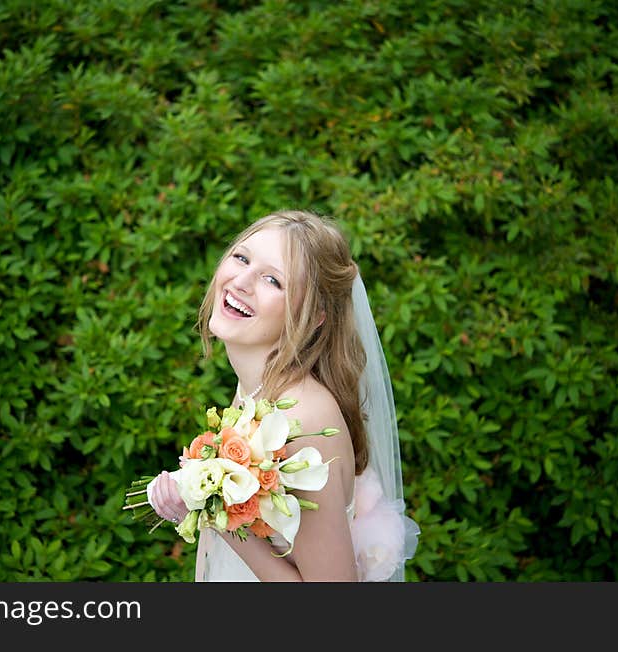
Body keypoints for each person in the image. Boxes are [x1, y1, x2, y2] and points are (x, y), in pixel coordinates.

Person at [148, 209, 419, 581]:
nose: (240, 281)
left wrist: (213, 515)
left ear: (316, 316)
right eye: (241, 258)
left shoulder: (303, 421)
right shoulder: (257, 384)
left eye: (273, 280)